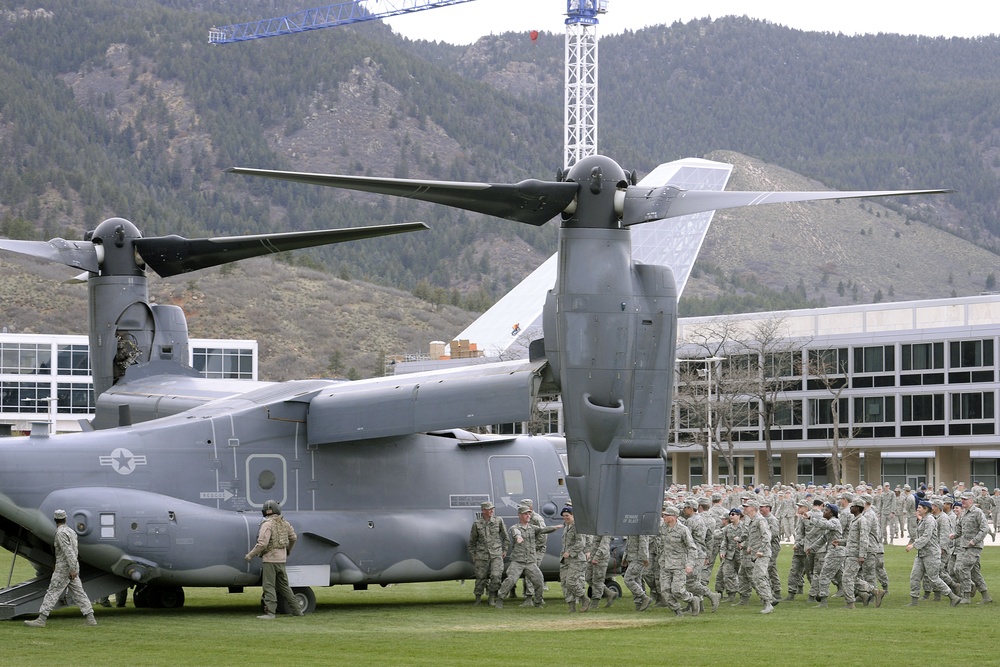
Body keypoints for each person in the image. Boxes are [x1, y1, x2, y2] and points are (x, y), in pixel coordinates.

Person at [24, 509, 98, 627]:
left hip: (64, 568)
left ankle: (41, 619)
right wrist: (75, 568)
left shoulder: (60, 533)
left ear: (55, 520)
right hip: (72, 567)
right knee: (79, 593)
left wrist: (72, 568)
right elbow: (75, 551)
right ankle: (90, 618)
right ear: (65, 518)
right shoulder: (71, 531)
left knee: (52, 592)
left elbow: (68, 551)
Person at [245, 499, 302, 619]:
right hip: (281, 560)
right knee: (284, 586)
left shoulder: (267, 524)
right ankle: (297, 610)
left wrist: (250, 555)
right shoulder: (285, 523)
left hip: (270, 560)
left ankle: (270, 613)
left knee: (269, 586)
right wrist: (288, 550)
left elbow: (262, 544)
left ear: (265, 512)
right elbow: (294, 538)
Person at [496, 505, 558, 609]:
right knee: (510, 580)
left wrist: (554, 528)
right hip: (518, 561)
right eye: (525, 514)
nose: (528, 515)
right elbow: (516, 533)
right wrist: (518, 537)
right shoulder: (515, 528)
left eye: (529, 513)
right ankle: (500, 599)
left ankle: (537, 602)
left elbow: (543, 530)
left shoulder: (533, 528)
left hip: (530, 562)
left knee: (539, 580)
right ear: (520, 515)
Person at [905, 500, 960, 606]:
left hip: (931, 554)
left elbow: (926, 536)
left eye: (919, 507)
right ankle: (914, 601)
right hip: (922, 554)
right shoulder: (924, 520)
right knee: (914, 576)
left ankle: (953, 597)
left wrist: (913, 545)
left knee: (934, 578)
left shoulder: (930, 520)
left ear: (925, 509)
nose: (917, 509)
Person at [468, 501, 509, 606]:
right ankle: (478, 598)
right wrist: (474, 555)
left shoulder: (498, 521)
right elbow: (472, 542)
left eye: (492, 509)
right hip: (482, 555)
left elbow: (505, 537)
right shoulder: (477, 524)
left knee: (496, 576)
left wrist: (504, 550)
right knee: (480, 577)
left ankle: (491, 597)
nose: (491, 511)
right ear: (483, 510)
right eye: (489, 509)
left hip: (496, 554)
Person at [559, 506, 589, 612]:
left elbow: (581, 543)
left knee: (571, 582)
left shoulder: (578, 527)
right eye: (564, 516)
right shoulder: (567, 527)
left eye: (567, 516)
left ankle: (584, 598)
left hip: (577, 559)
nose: (565, 518)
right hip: (565, 560)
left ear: (573, 515)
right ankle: (571, 606)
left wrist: (570, 552)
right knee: (564, 583)